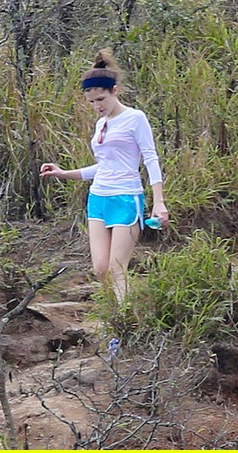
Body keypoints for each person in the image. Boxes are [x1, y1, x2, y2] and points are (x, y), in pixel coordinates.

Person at [40, 51, 169, 302]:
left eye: (101, 99)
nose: (97, 106)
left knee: (116, 268)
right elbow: (104, 165)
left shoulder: (134, 118)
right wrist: (64, 173)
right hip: (98, 197)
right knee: (100, 269)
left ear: (115, 91)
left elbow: (150, 159)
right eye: (91, 102)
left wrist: (159, 201)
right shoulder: (101, 123)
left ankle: (124, 326)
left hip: (125, 196)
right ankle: (113, 318)